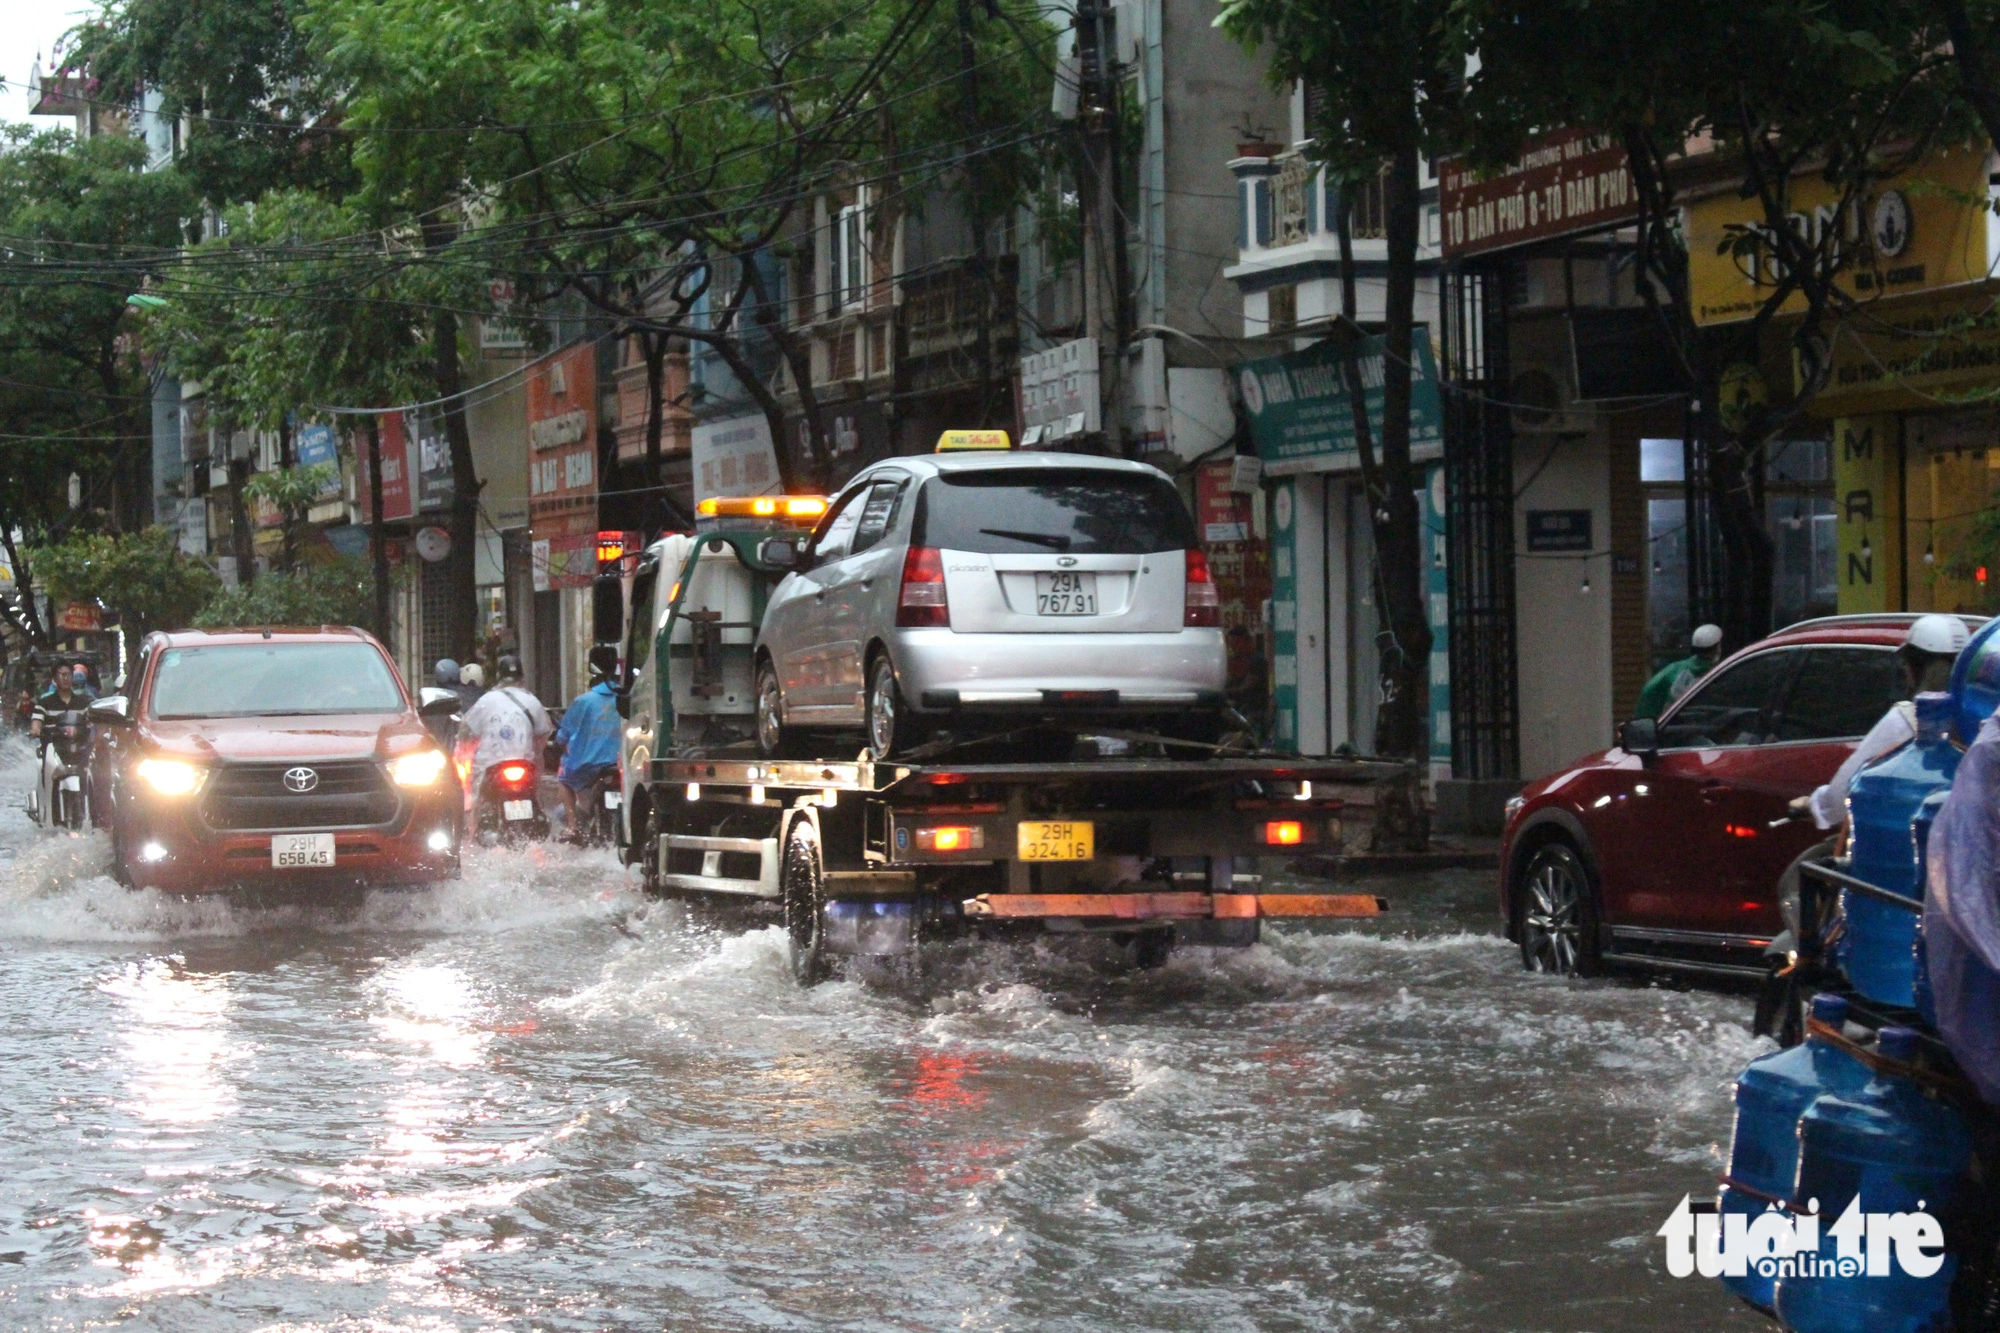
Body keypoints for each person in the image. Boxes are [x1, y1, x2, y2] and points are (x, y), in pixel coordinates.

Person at [1792, 613, 1969, 831]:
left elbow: (1846, 788)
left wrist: (1816, 804)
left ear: (1913, 668)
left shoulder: (1906, 720)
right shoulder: (1983, 722)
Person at [456, 654, 552, 802]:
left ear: (498, 676)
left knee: (473, 800)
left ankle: (472, 825)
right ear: (521, 677)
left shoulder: (485, 701)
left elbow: (466, 732)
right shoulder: (532, 701)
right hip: (526, 765)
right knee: (536, 797)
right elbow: (544, 734)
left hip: (490, 766)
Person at [554, 646, 624, 837]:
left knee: (563, 780)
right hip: (622, 765)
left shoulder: (583, 701)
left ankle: (573, 827)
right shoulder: (628, 699)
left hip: (588, 767)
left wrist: (561, 741)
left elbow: (563, 736)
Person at [1634, 624, 1724, 720]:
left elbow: (1649, 692)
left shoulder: (1674, 670)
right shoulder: (1721, 672)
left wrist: (1643, 722)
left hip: (1675, 727)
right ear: (1717, 648)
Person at [30, 665, 89, 740]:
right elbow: (37, 721)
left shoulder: (83, 703)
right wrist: (35, 730)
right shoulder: (44, 703)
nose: (66, 678)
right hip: (51, 746)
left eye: (69, 674)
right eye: (62, 675)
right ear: (55, 678)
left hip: (79, 746)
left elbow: (91, 723)